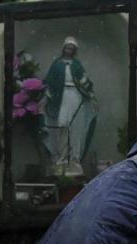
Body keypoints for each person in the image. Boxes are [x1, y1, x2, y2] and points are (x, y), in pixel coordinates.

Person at [43, 36, 97, 177]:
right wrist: (48, 94)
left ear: (74, 51)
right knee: (62, 126)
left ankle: (75, 159)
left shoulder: (77, 65)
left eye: (72, 48)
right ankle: (61, 158)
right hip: (62, 97)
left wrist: (90, 94)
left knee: (76, 127)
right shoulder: (57, 64)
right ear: (63, 49)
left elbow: (84, 81)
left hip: (75, 96)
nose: (69, 50)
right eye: (67, 48)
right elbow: (49, 81)